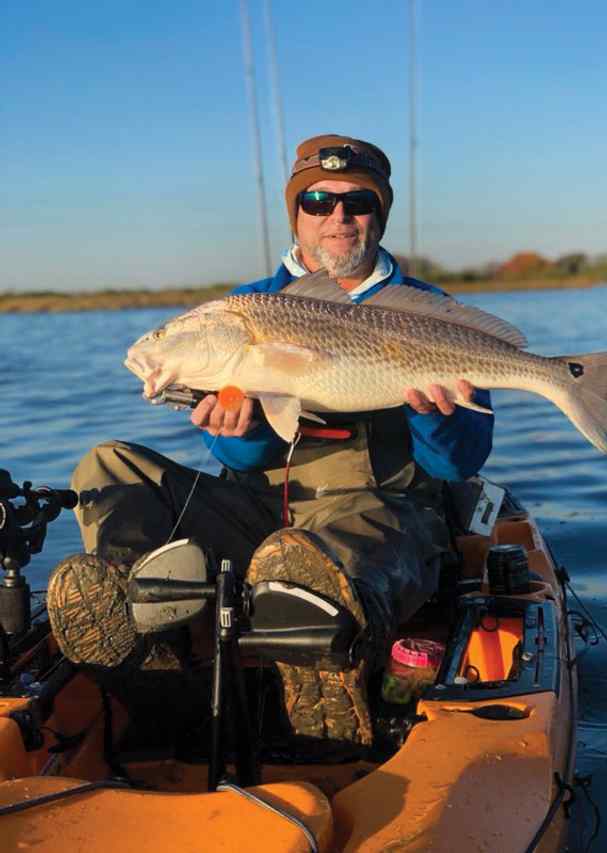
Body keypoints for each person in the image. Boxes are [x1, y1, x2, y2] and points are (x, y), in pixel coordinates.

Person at [47, 134, 493, 749]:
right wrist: (245, 429)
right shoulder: (245, 309)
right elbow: (236, 457)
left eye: (359, 202)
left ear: (380, 214)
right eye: (318, 201)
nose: (338, 217)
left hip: (382, 513)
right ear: (297, 213)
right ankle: (136, 618)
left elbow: (459, 461)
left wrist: (434, 414)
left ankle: (327, 665)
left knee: (309, 558)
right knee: (108, 466)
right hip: (258, 509)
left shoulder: (430, 313)